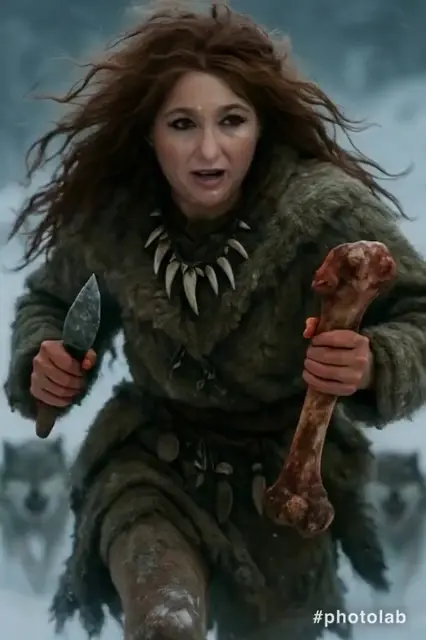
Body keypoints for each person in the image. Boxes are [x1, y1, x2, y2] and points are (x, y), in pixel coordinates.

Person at [4, 3, 426, 639]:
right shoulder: (116, 218)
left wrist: (376, 362)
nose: (208, 149)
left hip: (286, 481)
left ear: (261, 126)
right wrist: (46, 360)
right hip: (151, 467)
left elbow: (418, 312)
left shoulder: (325, 215)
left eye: (231, 121)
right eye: (182, 124)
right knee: (164, 620)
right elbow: (51, 302)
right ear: (150, 133)